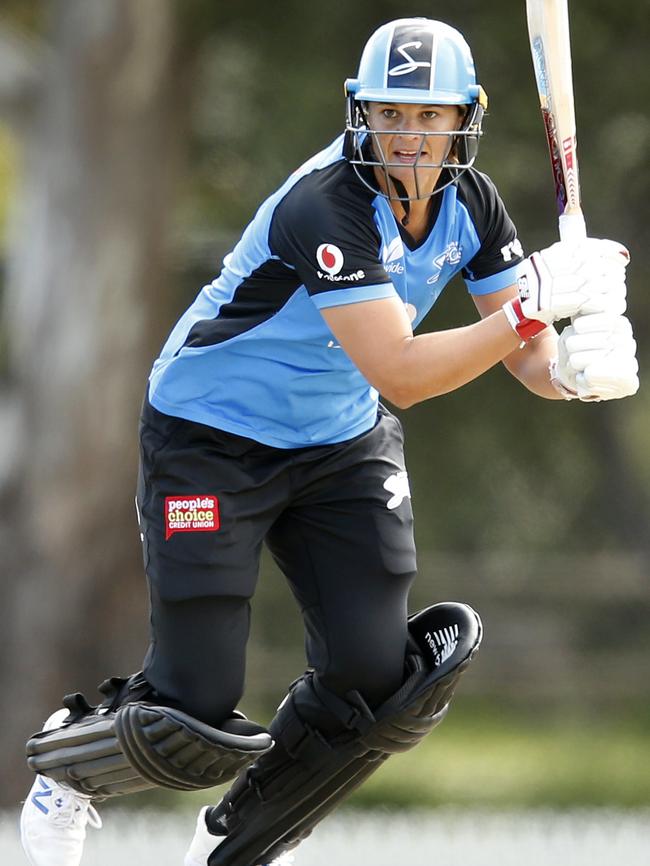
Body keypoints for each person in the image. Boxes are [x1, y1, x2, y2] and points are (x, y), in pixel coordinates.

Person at [20, 16, 638, 866]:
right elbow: (405, 370)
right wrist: (535, 303)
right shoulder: (328, 203)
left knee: (382, 682)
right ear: (361, 113)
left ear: (464, 118)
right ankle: (68, 766)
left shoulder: (474, 204)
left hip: (339, 442)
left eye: (430, 118)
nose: (410, 137)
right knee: (193, 710)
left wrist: (571, 366)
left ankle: (236, 840)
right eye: (392, 114)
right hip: (211, 437)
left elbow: (518, 354)